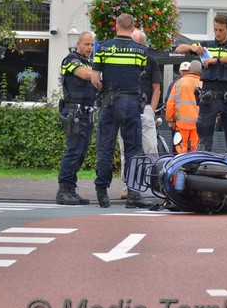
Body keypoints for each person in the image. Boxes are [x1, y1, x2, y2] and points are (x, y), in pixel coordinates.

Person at [91, 13, 153, 209]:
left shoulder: (103, 48)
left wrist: (104, 87)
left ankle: (102, 193)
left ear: (116, 27)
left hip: (109, 102)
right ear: (133, 28)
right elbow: (140, 73)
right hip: (131, 103)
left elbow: (94, 78)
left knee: (105, 148)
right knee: (133, 149)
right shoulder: (141, 51)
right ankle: (133, 193)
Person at [174, 14, 227, 153]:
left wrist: (217, 60)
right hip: (209, 96)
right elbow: (179, 49)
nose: (218, 33)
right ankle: (203, 169)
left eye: (221, 30)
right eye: (215, 29)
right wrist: (193, 47)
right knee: (204, 140)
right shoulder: (205, 45)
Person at [118, 29, 162, 199]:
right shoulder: (125, 59)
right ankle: (126, 185)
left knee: (151, 147)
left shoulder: (151, 61)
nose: (134, 46)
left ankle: (153, 183)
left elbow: (156, 87)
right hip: (127, 108)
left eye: (137, 44)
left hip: (144, 109)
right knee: (125, 148)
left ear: (144, 45)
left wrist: (151, 108)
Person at [56, 32, 96, 205]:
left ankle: (71, 189)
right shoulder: (70, 60)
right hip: (74, 112)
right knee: (73, 151)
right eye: (86, 44)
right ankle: (63, 190)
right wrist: (102, 74)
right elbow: (85, 75)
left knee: (81, 152)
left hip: (86, 112)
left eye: (92, 45)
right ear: (78, 44)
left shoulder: (89, 63)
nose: (89, 48)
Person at [166, 60, 202, 153]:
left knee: (181, 145)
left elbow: (171, 102)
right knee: (195, 146)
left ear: (189, 69)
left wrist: (170, 119)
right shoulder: (204, 83)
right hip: (198, 123)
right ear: (200, 70)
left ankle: (182, 164)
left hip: (181, 122)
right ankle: (195, 164)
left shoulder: (179, 83)